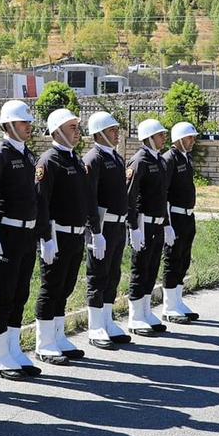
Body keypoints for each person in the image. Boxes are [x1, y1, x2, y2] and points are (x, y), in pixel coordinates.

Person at [34, 108, 94, 366]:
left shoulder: (75, 159)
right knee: (51, 288)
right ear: (57, 130)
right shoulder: (49, 161)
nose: (77, 131)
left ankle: (58, 336)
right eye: (72, 127)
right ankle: (44, 343)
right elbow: (41, 202)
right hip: (56, 235)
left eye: (77, 127)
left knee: (66, 287)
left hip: (75, 235)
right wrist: (46, 238)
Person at [0, 99, 40, 378]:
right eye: (23, 122)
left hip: (26, 232)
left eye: (29, 122)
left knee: (21, 291)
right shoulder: (0, 155)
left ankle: (14, 348)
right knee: (3, 292)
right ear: (8, 125)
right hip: (6, 232)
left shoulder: (28, 154)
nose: (28, 126)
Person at [82, 111, 131, 349]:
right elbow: (89, 197)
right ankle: (95, 326)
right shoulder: (93, 159)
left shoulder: (117, 158)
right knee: (98, 275)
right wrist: (95, 231)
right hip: (102, 226)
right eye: (112, 130)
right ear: (99, 133)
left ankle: (108, 320)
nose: (116, 134)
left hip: (118, 224)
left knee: (113, 274)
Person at [125, 118, 171, 335]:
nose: (164, 138)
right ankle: (135, 316)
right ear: (149, 138)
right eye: (160, 134)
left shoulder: (160, 161)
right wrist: (133, 227)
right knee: (140, 268)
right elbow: (130, 196)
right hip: (143, 223)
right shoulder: (139, 161)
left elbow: (163, 197)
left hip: (158, 223)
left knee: (152, 268)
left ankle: (146, 310)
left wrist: (167, 224)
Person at [160, 121, 200, 323]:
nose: (193, 141)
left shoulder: (187, 157)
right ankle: (168, 306)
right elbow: (164, 193)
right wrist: (167, 224)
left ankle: (178, 301)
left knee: (184, 259)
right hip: (174, 215)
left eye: (193, 137)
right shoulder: (170, 159)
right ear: (179, 139)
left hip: (187, 216)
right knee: (172, 259)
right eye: (189, 137)